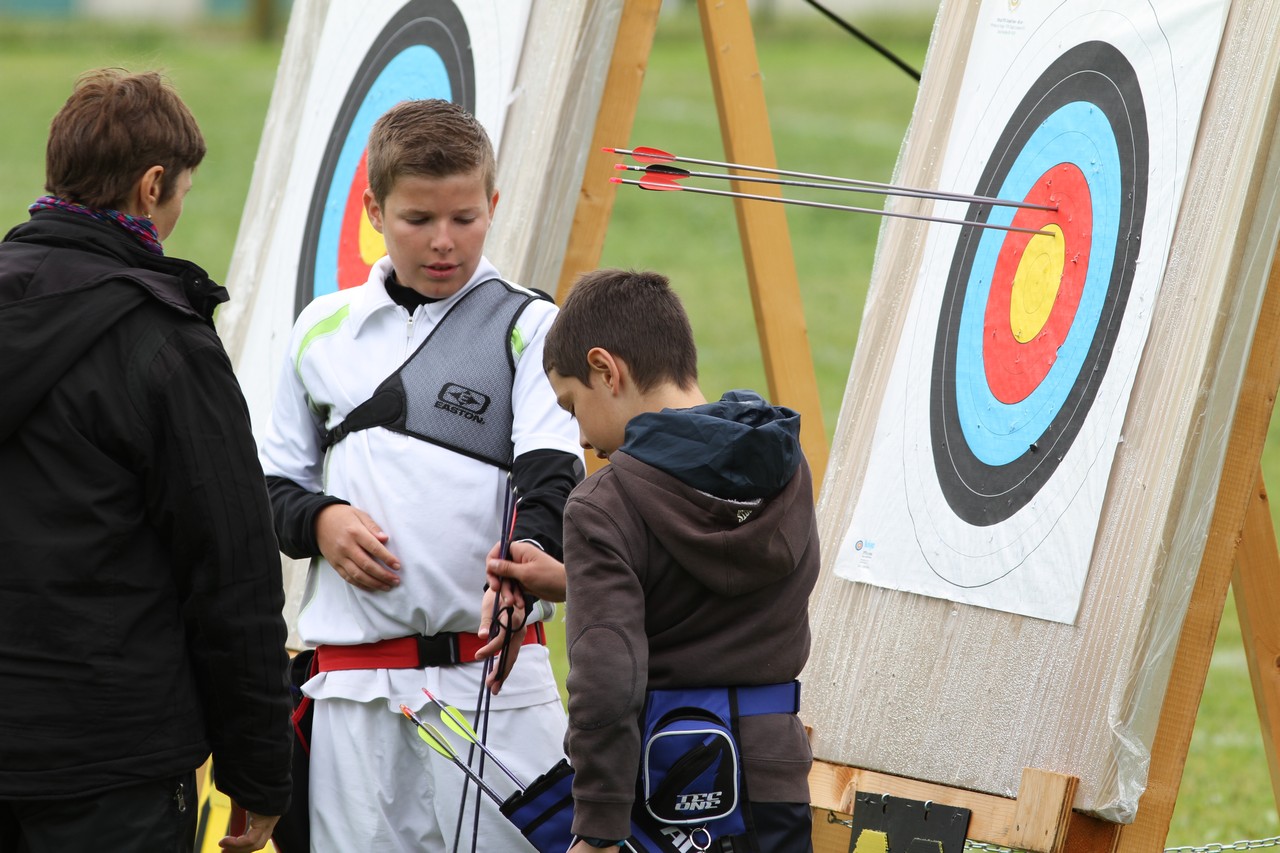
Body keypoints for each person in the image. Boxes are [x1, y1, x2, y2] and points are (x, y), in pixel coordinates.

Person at [258, 98, 583, 851]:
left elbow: (551, 474)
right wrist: (320, 520)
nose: (445, 243)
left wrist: (525, 564)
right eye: (417, 219)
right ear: (372, 209)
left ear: (493, 205)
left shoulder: (529, 324)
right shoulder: (321, 329)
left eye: (466, 218)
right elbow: (270, 490)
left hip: (495, 683)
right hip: (352, 692)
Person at [0, 69, 292, 853]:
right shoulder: (163, 343)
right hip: (112, 764)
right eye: (181, 193)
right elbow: (232, 574)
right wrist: (260, 772)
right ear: (150, 184)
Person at [540, 268, 820, 852]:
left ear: (605, 370)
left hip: (667, 790)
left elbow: (607, 681)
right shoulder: (787, 468)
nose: (582, 436)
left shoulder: (602, 502)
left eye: (572, 405)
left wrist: (596, 831)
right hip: (774, 778)